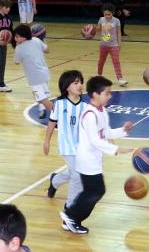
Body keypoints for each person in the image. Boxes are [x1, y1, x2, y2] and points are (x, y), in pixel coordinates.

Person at [60, 76, 133, 234]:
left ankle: (71, 219)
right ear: (95, 95)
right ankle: (71, 216)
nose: (110, 96)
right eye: (106, 93)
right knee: (96, 190)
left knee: (92, 191)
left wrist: (123, 130)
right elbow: (94, 140)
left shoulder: (101, 111)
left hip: (93, 159)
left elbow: (105, 132)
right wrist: (116, 149)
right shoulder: (89, 115)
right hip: (87, 160)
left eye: (110, 93)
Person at [44, 70, 87, 208]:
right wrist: (47, 141)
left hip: (80, 146)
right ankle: (69, 207)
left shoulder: (85, 106)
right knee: (77, 176)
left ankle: (55, 180)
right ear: (67, 86)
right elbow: (51, 122)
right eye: (76, 83)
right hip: (66, 146)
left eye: (81, 82)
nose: (80, 85)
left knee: (74, 172)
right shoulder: (59, 104)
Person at [13, 24, 53, 119]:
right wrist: (42, 39)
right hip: (45, 74)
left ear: (24, 36)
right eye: (15, 37)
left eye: (18, 37)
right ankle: (42, 110)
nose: (16, 39)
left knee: (42, 98)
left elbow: (16, 62)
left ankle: (58, 115)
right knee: (42, 96)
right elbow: (47, 50)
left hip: (35, 79)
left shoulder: (19, 48)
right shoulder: (36, 40)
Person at [96, 3, 127, 86]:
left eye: (109, 14)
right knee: (101, 62)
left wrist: (119, 43)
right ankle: (99, 76)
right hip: (103, 45)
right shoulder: (101, 19)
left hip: (114, 45)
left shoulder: (116, 21)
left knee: (116, 62)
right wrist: (91, 29)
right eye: (105, 14)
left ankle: (120, 79)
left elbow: (118, 32)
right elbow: (97, 30)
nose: (107, 16)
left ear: (112, 13)